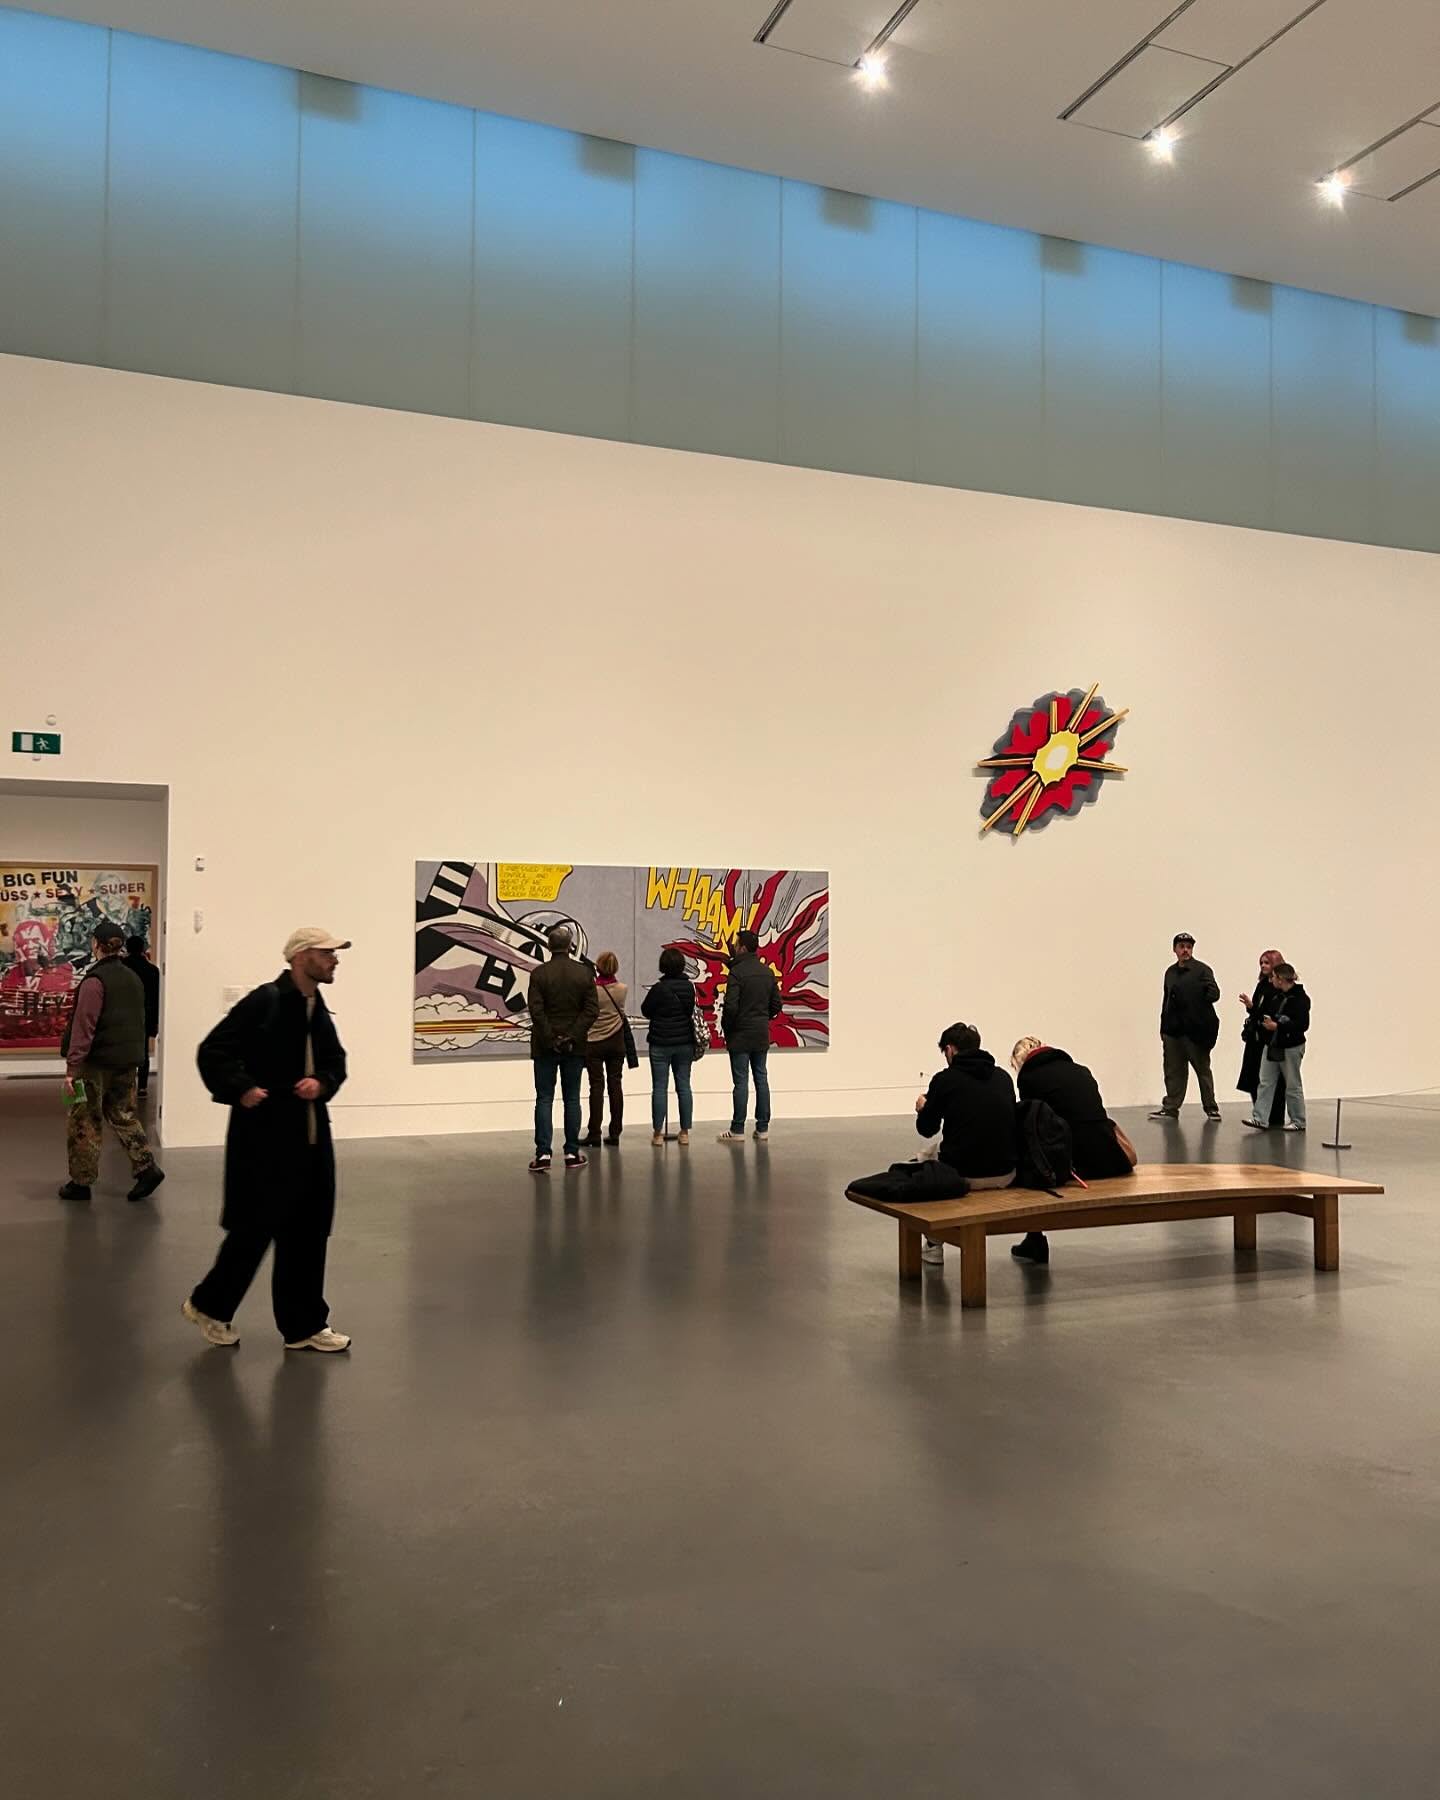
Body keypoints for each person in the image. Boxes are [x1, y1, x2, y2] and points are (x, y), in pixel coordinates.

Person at [183, 927, 352, 1351]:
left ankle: (303, 1326)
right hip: (265, 1139)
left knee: (307, 1232)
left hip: (310, 1136)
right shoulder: (266, 1000)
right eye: (327, 953)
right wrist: (240, 1087)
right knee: (254, 1229)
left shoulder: (315, 1004)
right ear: (301, 956)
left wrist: (322, 1082)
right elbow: (213, 1051)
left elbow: (335, 1061)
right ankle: (209, 1305)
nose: (335, 960)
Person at [57, 919, 164, 1203]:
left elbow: (84, 1027)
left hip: (95, 1065)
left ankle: (80, 1183)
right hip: (127, 1062)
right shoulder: (133, 978)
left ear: (96, 945)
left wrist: (72, 1069)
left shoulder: (94, 981)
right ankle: (146, 1167)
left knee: (83, 1120)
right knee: (123, 1115)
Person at [1009, 1036, 1137, 1265]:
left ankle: (1035, 1239)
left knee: (1029, 1160)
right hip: (1112, 1157)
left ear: (1020, 1061)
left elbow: (1034, 1123)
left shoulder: (1029, 1078)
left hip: (1076, 1163)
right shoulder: (1081, 1070)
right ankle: (1033, 1240)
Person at [914, 1022, 1018, 1267]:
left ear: (950, 1050)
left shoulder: (945, 1079)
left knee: (922, 1160)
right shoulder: (1003, 1077)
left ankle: (934, 1244)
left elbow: (927, 1129)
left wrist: (923, 1108)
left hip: (962, 1174)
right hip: (1006, 1172)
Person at [527, 925, 598, 1173]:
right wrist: (571, 1036)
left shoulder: (539, 974)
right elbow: (591, 1010)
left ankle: (543, 1154)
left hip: (544, 1047)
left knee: (544, 1099)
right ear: (570, 946)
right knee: (572, 1099)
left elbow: (536, 1010)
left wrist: (551, 1038)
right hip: (574, 1047)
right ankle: (571, 1152)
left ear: (549, 946)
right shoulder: (584, 974)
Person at [717, 929, 782, 1143]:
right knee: (761, 1078)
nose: (734, 947)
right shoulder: (767, 972)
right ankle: (762, 1128)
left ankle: (737, 1129)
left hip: (740, 1034)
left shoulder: (736, 973)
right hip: (760, 1032)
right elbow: (776, 1004)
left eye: (736, 944)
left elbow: (731, 1006)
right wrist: (763, 1017)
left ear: (743, 948)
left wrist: (727, 1027)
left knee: (741, 1081)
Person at [1150, 932, 1222, 1122]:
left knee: (1203, 1070)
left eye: (1189, 947)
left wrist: (1198, 999)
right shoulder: (1170, 973)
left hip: (1195, 1031)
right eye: (1181, 946)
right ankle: (1171, 1107)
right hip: (1173, 1031)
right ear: (1175, 949)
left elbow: (1214, 994)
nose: (1185, 950)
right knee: (1173, 1071)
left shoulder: (1202, 970)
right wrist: (1163, 1026)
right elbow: (1166, 999)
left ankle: (1211, 1108)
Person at [1243, 962, 1310, 1134]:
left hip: (1291, 1047)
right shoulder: (1277, 997)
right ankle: (1260, 1118)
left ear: (1280, 979)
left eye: (1273, 977)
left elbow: (1302, 1025)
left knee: (1292, 1084)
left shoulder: (1300, 999)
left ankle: (1298, 1120)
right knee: (1265, 1082)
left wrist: (1278, 1026)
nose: (1271, 980)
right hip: (1273, 1044)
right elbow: (1266, 1014)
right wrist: (1252, 1008)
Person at [641, 947, 696, 1147]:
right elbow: (690, 1010)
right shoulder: (689, 987)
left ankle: (657, 1134)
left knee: (659, 1087)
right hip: (684, 1042)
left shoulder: (658, 988)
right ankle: (684, 1132)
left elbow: (646, 1010)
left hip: (660, 1042)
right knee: (684, 1086)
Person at [583, 950, 628, 1148]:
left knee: (596, 1086)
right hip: (616, 1041)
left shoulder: (592, 991)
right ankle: (615, 1131)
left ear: (598, 967)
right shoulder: (623, 989)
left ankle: (594, 1132)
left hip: (594, 1042)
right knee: (615, 1085)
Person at [1237, 948, 1286, 1126]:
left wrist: (1255, 1010)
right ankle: (1260, 1115)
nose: (1263, 966)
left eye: (1267, 962)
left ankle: (1274, 1117)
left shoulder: (1279, 988)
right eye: (1261, 963)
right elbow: (1259, 1011)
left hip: (1270, 1039)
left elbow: (1270, 1013)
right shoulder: (1262, 985)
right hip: (1255, 1038)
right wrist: (1251, 1007)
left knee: (1272, 1080)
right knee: (1253, 1078)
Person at [123, 934, 161, 1097]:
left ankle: (126, 1085)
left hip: (124, 1016)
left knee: (124, 1052)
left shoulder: (122, 968)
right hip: (145, 1016)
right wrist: (156, 1021)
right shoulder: (152, 970)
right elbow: (156, 998)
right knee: (143, 1052)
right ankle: (142, 1087)